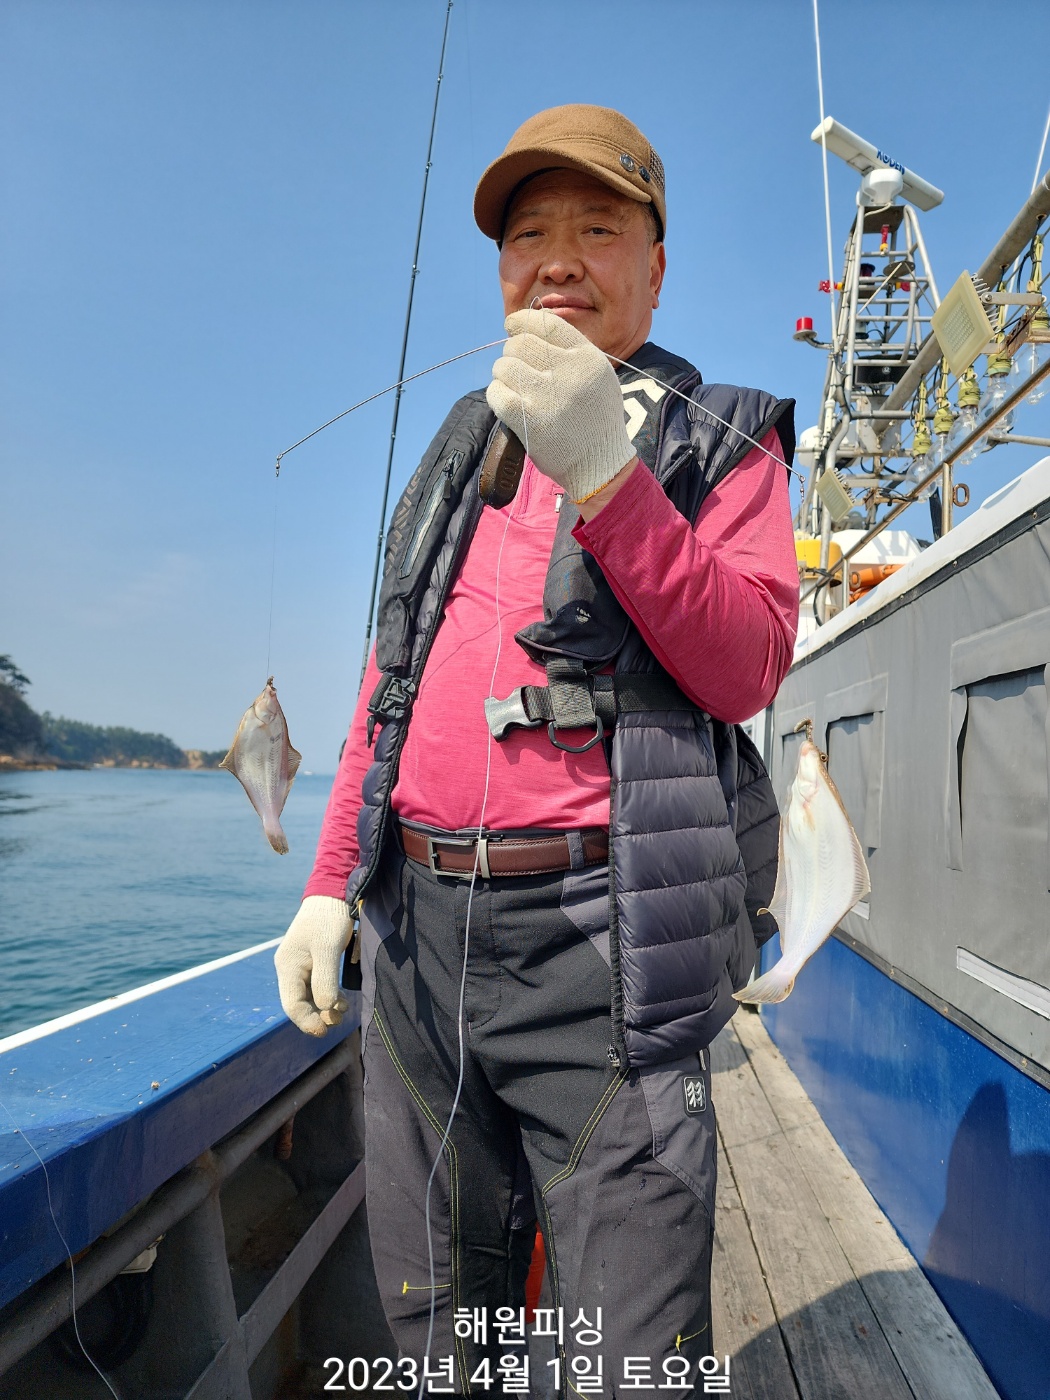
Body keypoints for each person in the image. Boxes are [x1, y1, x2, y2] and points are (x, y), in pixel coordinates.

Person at [275, 104, 798, 1389]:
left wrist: (608, 473)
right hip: (418, 948)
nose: (557, 258)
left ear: (655, 268)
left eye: (597, 229)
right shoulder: (458, 449)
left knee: (633, 1352)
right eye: (527, 236)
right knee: (439, 1328)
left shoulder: (724, 435)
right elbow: (388, 687)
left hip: (601, 944)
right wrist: (329, 886)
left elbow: (747, 660)